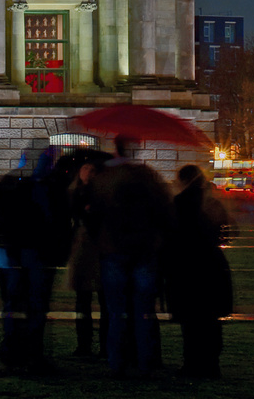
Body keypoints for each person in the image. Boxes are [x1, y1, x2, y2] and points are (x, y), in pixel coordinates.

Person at [0, 148, 66, 372]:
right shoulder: (48, 185)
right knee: (34, 306)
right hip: (35, 254)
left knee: (14, 305)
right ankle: (31, 355)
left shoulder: (11, 181)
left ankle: (12, 353)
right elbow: (58, 221)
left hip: (12, 254)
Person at [87, 138, 172, 376]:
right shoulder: (148, 176)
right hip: (144, 250)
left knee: (115, 311)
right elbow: (165, 211)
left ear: (116, 148)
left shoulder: (104, 177)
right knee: (144, 311)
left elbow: (92, 215)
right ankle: (145, 362)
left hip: (113, 250)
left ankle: (117, 362)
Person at [166, 165, 235, 378]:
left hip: (187, 267)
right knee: (210, 319)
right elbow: (229, 232)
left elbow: (171, 236)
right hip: (212, 266)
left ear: (183, 181)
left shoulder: (178, 204)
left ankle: (192, 363)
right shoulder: (211, 203)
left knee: (190, 320)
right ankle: (212, 364)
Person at [58, 152, 108, 359]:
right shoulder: (74, 193)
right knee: (83, 300)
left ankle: (104, 345)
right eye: (84, 169)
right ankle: (84, 344)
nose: (87, 172)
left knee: (104, 301)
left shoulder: (102, 195)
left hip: (99, 250)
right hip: (82, 250)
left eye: (91, 169)